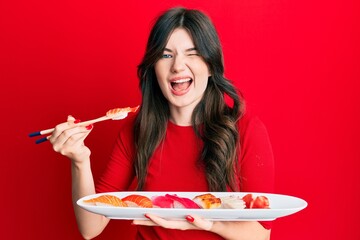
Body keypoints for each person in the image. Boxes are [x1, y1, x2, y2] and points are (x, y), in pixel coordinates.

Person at [50, 7, 274, 240]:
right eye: (166, 55)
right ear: (153, 67)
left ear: (210, 65)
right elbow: (90, 227)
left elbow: (260, 235)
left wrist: (206, 225)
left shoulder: (247, 131)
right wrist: (79, 161)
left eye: (193, 53)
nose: (177, 66)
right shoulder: (137, 130)